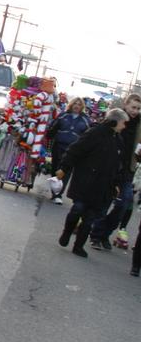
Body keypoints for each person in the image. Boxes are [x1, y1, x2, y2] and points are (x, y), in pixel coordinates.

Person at [56, 108, 128, 258]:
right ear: (114, 121)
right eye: (123, 123)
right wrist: (64, 167)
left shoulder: (118, 141)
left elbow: (118, 166)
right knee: (77, 210)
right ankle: (67, 232)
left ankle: (78, 246)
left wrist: (116, 184)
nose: (124, 126)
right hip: (85, 181)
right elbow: (75, 150)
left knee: (89, 219)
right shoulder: (94, 133)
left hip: (103, 188)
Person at [89, 94, 141, 249]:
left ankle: (104, 232)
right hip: (110, 168)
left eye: (138, 109)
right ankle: (96, 236)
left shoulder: (139, 124)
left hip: (128, 170)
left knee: (123, 204)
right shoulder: (116, 118)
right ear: (126, 105)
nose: (136, 111)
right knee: (104, 203)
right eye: (133, 107)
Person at [48, 96, 90, 204]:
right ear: (71, 105)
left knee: (66, 171)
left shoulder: (85, 120)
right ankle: (54, 191)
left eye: (79, 104)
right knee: (56, 168)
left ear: (82, 107)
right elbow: (53, 128)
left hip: (73, 150)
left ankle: (58, 194)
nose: (77, 106)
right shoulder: (63, 115)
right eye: (75, 103)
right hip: (58, 146)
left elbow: (88, 135)